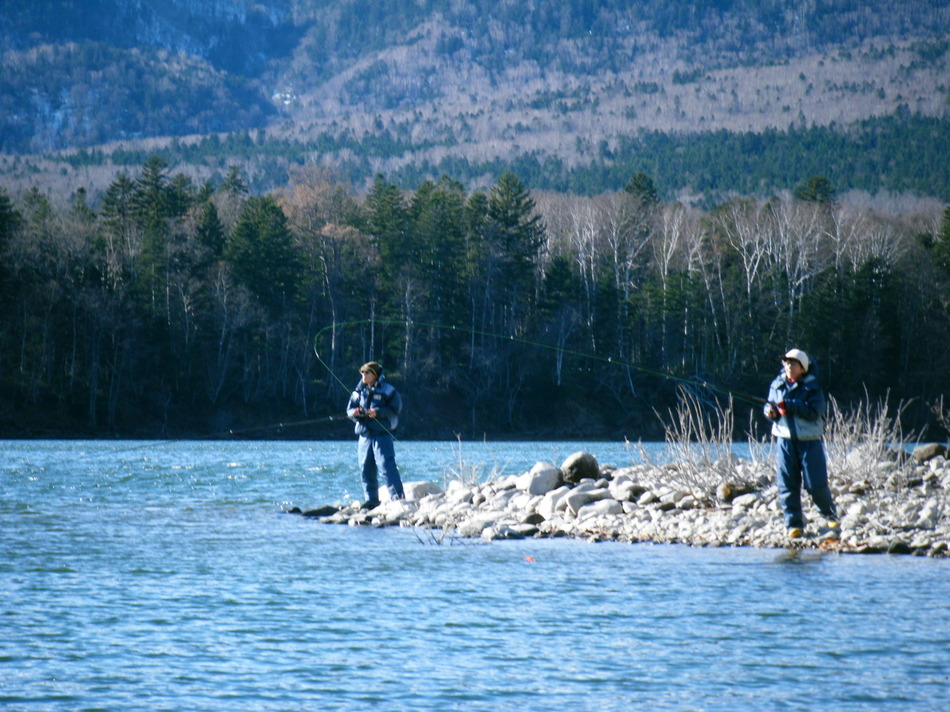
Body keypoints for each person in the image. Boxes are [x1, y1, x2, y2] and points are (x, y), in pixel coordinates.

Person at [764, 348, 839, 539]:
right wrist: (770, 412)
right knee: (787, 485)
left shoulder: (812, 387)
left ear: (802, 368)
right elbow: (769, 405)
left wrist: (790, 406)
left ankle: (830, 514)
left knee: (815, 485)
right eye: (786, 363)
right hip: (785, 441)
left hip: (809, 442)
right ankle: (793, 526)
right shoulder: (777, 384)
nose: (789, 366)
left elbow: (816, 411)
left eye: (793, 363)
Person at [346, 361, 404, 509]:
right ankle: (371, 500)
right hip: (364, 436)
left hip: (382, 435)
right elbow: (349, 410)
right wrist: (355, 413)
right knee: (365, 468)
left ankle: (398, 499)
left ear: (375, 375)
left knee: (386, 466)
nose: (363, 375)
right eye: (362, 372)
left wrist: (378, 412)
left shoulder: (389, 390)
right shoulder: (357, 392)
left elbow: (396, 408)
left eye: (367, 373)